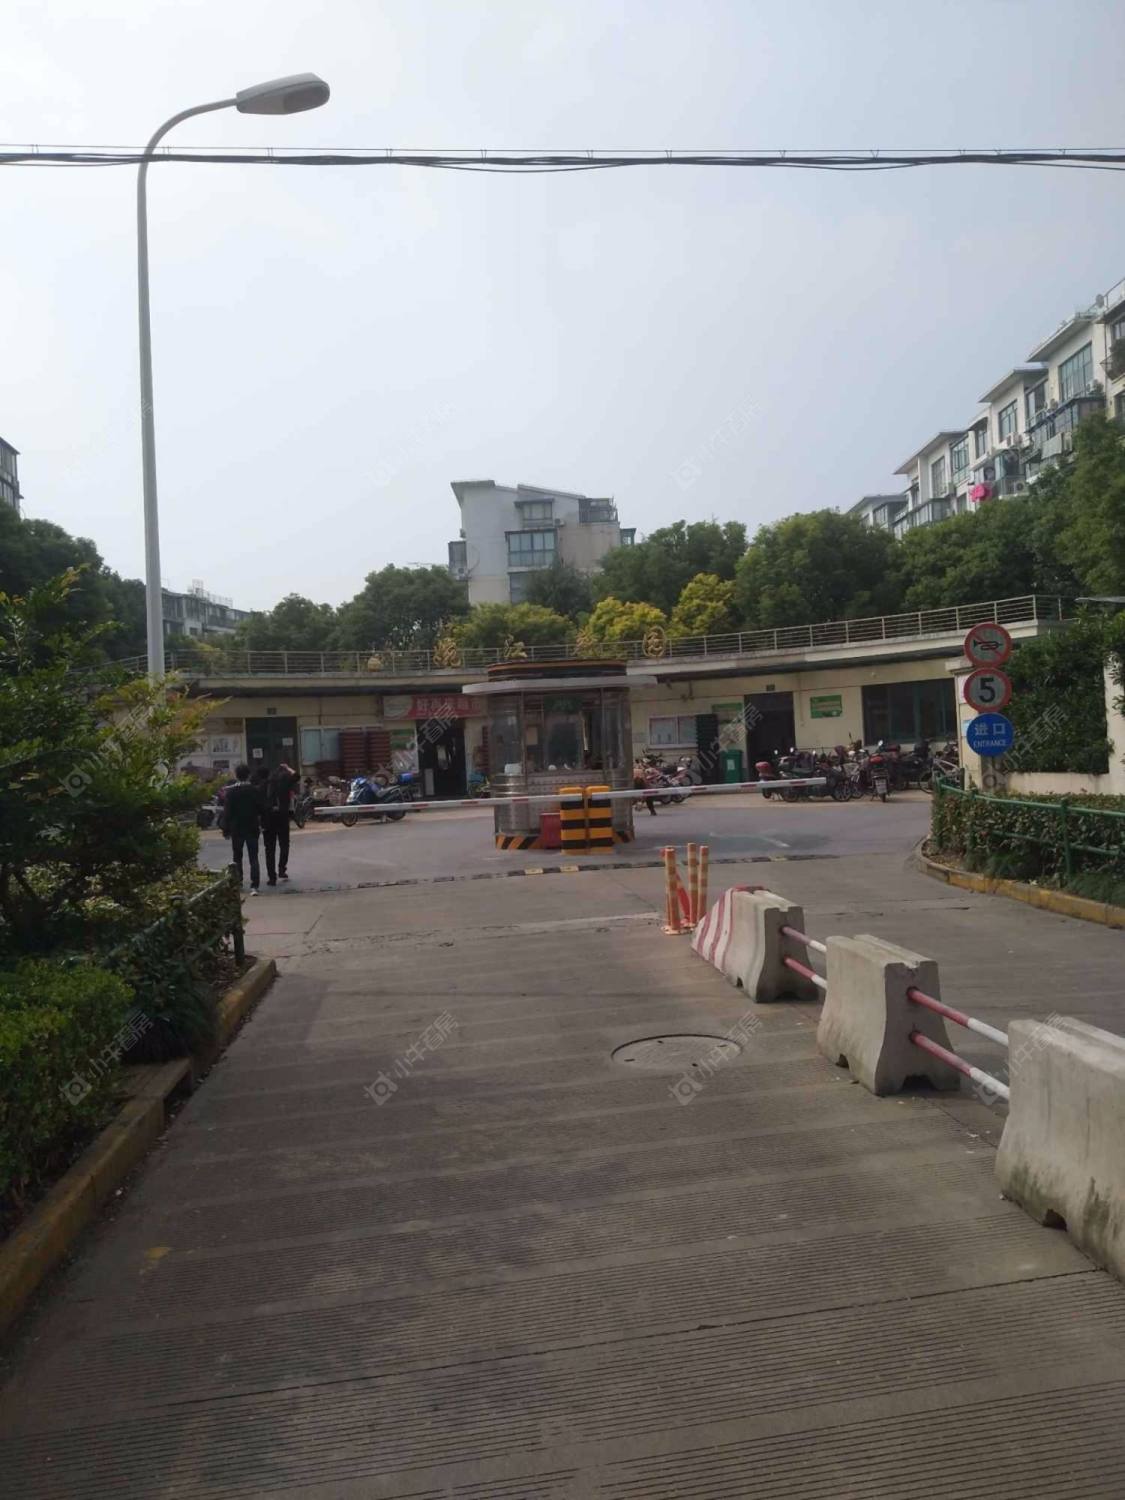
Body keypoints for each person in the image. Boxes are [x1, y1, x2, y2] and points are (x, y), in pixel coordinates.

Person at [223, 763, 265, 896]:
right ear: (249, 775)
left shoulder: (231, 793)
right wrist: (263, 824)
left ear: (236, 775)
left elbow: (227, 812)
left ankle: (239, 882)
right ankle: (254, 886)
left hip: (236, 828)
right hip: (252, 827)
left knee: (237, 857)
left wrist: (226, 829)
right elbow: (262, 809)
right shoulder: (255, 791)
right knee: (253, 857)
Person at [263, 760, 301, 886]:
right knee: (284, 844)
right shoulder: (285, 783)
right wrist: (288, 768)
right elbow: (297, 776)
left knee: (270, 849)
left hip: (269, 818)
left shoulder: (267, 783)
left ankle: (271, 877)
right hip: (282, 817)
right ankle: (281, 869)